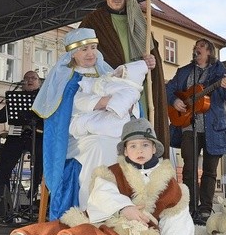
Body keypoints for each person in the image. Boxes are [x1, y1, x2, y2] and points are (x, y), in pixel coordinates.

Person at [7, 118, 194, 235]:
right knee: (70, 222)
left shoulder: (166, 179)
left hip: (136, 228)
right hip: (107, 214)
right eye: (133, 146)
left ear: (154, 149)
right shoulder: (114, 171)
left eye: (145, 145)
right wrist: (124, 207)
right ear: (125, 151)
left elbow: (176, 212)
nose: (140, 150)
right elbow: (103, 191)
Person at [32, 28, 148, 220]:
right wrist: (104, 102)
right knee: (98, 145)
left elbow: (128, 96)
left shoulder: (106, 72)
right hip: (76, 138)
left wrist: (126, 104)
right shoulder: (65, 78)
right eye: (84, 49)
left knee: (133, 147)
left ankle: (131, 206)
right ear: (72, 53)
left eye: (93, 48)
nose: (90, 53)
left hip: (110, 129)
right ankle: (91, 209)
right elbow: (67, 112)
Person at [80, 0, 170, 157]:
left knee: (142, 137)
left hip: (140, 90)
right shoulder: (93, 21)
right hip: (111, 91)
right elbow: (81, 56)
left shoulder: (139, 20)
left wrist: (152, 61)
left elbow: (152, 56)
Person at [166, 38, 226, 224]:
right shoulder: (184, 72)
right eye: (195, 47)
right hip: (188, 127)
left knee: (210, 171)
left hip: (214, 129)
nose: (196, 49)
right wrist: (174, 101)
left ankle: (205, 209)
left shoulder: (220, 72)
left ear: (209, 52)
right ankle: (189, 208)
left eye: (201, 47)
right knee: (189, 169)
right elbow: (168, 88)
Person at [0, 70, 43, 203]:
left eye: (33, 78)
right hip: (17, 135)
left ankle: (34, 192)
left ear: (39, 82)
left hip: (37, 136)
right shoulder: (15, 97)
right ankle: (4, 200)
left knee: (41, 157)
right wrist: (10, 104)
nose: (30, 80)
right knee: (3, 164)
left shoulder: (44, 98)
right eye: (27, 78)